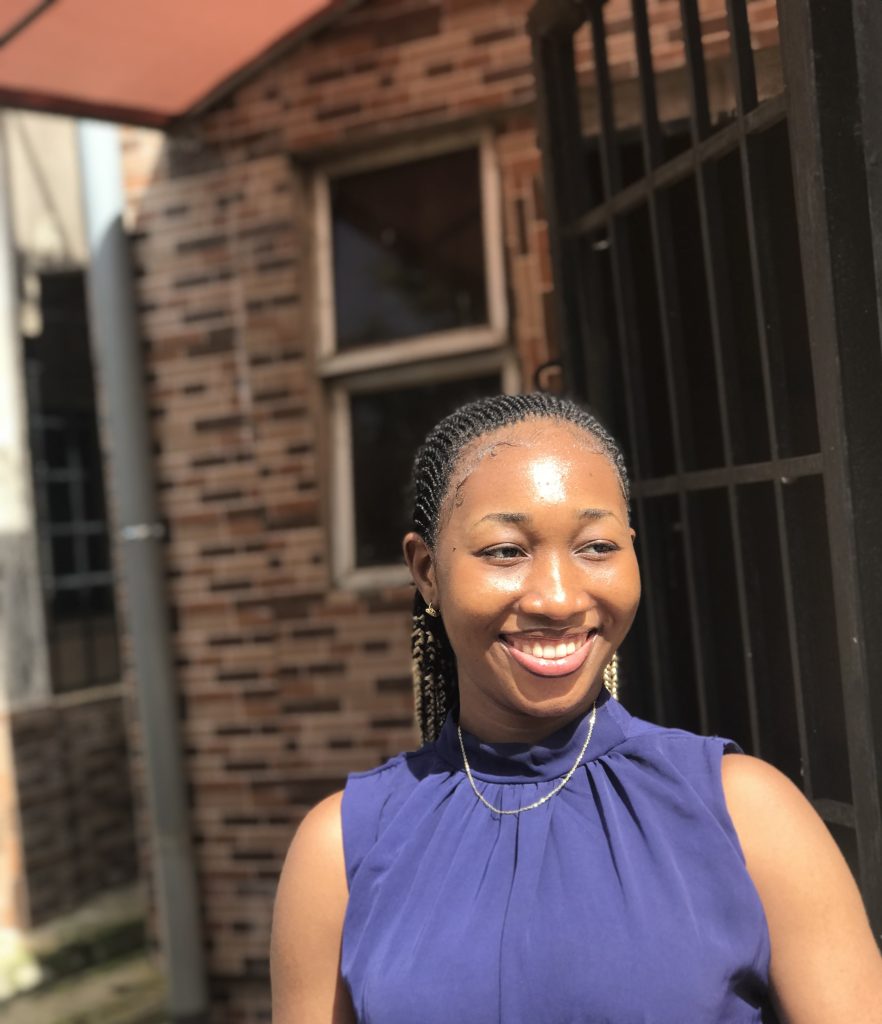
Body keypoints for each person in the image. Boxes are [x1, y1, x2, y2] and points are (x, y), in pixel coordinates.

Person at [271, 393, 882, 1023]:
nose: (559, 599)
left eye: (596, 547)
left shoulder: (745, 812)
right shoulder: (342, 850)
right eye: (505, 551)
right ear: (427, 570)